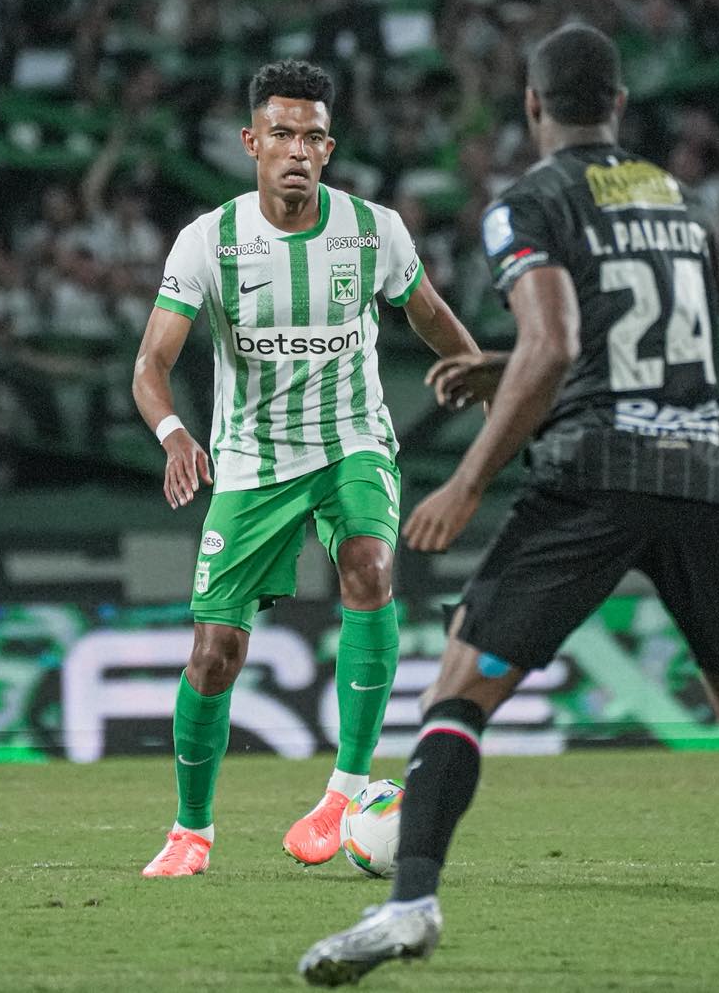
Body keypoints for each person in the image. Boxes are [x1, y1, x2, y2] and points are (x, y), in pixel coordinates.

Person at [298, 24, 719, 986]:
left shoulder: (530, 200)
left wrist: (469, 478)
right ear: (621, 104)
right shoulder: (680, 203)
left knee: (459, 688)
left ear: (532, 105)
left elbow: (558, 343)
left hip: (595, 471)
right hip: (704, 473)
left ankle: (410, 907)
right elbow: (650, 343)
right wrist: (506, 366)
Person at [129, 58, 481, 877]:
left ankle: (343, 792)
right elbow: (151, 363)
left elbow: (431, 316)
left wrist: (496, 385)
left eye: (311, 137)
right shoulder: (209, 241)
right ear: (251, 142)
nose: (296, 150)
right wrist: (175, 435)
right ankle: (190, 832)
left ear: (330, 148)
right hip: (252, 462)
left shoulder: (373, 230)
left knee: (370, 565)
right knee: (214, 652)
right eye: (280, 134)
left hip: (352, 441)